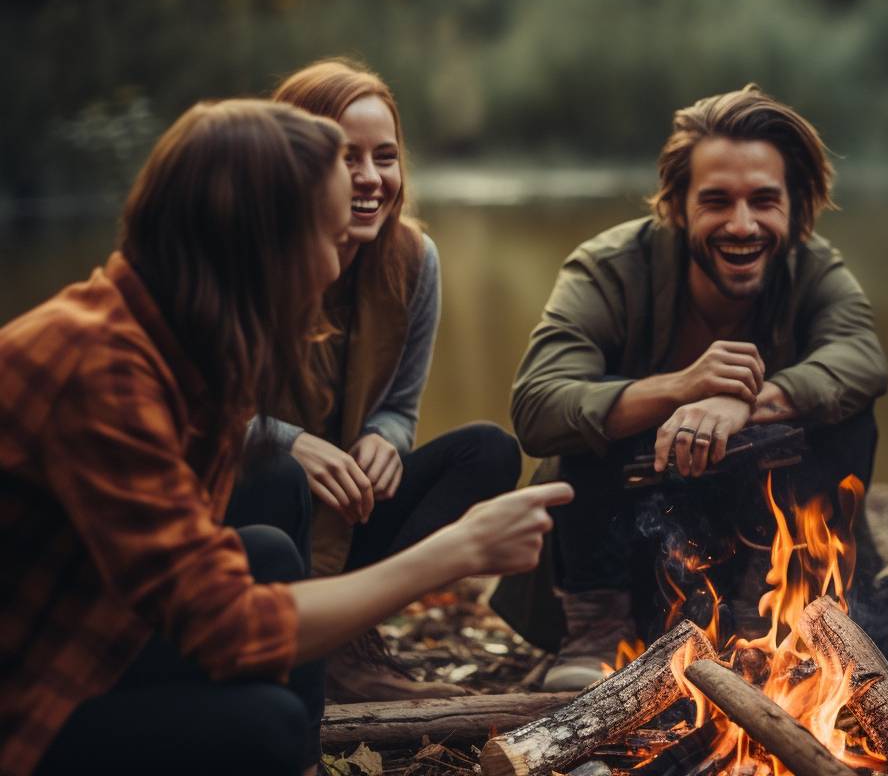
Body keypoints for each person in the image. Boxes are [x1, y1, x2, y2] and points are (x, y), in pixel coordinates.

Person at [0, 99, 570, 776]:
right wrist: (457, 549)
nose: (336, 268)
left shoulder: (173, 340)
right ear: (259, 244)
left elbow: (197, 575)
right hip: (26, 704)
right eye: (329, 240)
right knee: (260, 727)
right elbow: (228, 626)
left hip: (87, 639)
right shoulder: (100, 371)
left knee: (266, 553)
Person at [502, 84, 888, 691]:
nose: (742, 224)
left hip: (751, 539)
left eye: (764, 200)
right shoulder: (606, 267)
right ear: (677, 206)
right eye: (717, 201)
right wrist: (680, 388)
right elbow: (537, 404)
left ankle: (764, 616)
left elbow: (862, 359)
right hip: (624, 544)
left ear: (796, 206)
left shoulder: (814, 268)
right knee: (589, 398)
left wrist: (741, 400)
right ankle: (596, 627)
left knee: (843, 408)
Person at [236, 58, 524, 702]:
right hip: (248, 512)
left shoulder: (414, 260)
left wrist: (386, 440)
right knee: (278, 474)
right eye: (346, 157)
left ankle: (346, 634)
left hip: (348, 502)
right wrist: (287, 442)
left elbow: (399, 404)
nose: (370, 180)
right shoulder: (241, 263)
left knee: (489, 451)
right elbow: (192, 414)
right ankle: (289, 638)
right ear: (292, 162)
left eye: (385, 157)